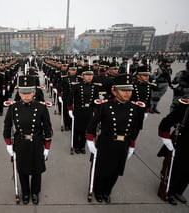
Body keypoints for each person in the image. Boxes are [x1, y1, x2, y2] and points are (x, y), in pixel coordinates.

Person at [86, 74, 144, 204]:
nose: (127, 93)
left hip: (123, 144)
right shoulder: (106, 106)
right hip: (106, 143)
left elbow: (135, 129)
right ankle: (98, 191)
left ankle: (107, 191)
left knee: (115, 171)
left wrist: (132, 145)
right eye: (123, 90)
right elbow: (93, 124)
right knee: (102, 170)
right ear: (114, 91)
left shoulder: (135, 108)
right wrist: (90, 140)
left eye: (129, 90)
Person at [3, 75, 53, 205]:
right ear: (19, 93)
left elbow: (48, 128)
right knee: (22, 170)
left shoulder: (41, 107)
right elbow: (7, 125)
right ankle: (25, 192)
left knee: (36, 170)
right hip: (20, 142)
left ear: (34, 92)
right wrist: (8, 144)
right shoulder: (13, 107)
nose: (26, 96)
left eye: (29, 93)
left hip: (36, 142)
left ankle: (35, 192)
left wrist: (47, 147)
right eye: (23, 93)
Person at [158, 98, 189, 205]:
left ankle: (178, 191)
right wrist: (167, 140)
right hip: (182, 144)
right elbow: (165, 123)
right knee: (176, 168)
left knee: (187, 172)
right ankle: (169, 191)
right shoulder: (185, 109)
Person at [67, 68, 100, 154]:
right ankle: (76, 145)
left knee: (86, 129)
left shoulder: (95, 87)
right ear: (83, 76)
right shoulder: (77, 86)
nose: (89, 77)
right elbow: (70, 98)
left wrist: (96, 111)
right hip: (79, 110)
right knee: (77, 129)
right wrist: (70, 109)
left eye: (91, 75)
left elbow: (96, 100)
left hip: (89, 110)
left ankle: (82, 145)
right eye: (87, 75)